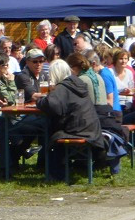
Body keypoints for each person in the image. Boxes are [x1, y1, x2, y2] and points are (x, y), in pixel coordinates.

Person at [36, 50, 103, 180]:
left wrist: (39, 101)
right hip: (91, 128)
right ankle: (56, 168)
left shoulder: (63, 87)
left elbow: (52, 106)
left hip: (78, 130)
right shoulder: (77, 82)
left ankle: (56, 173)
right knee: (55, 131)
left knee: (53, 135)